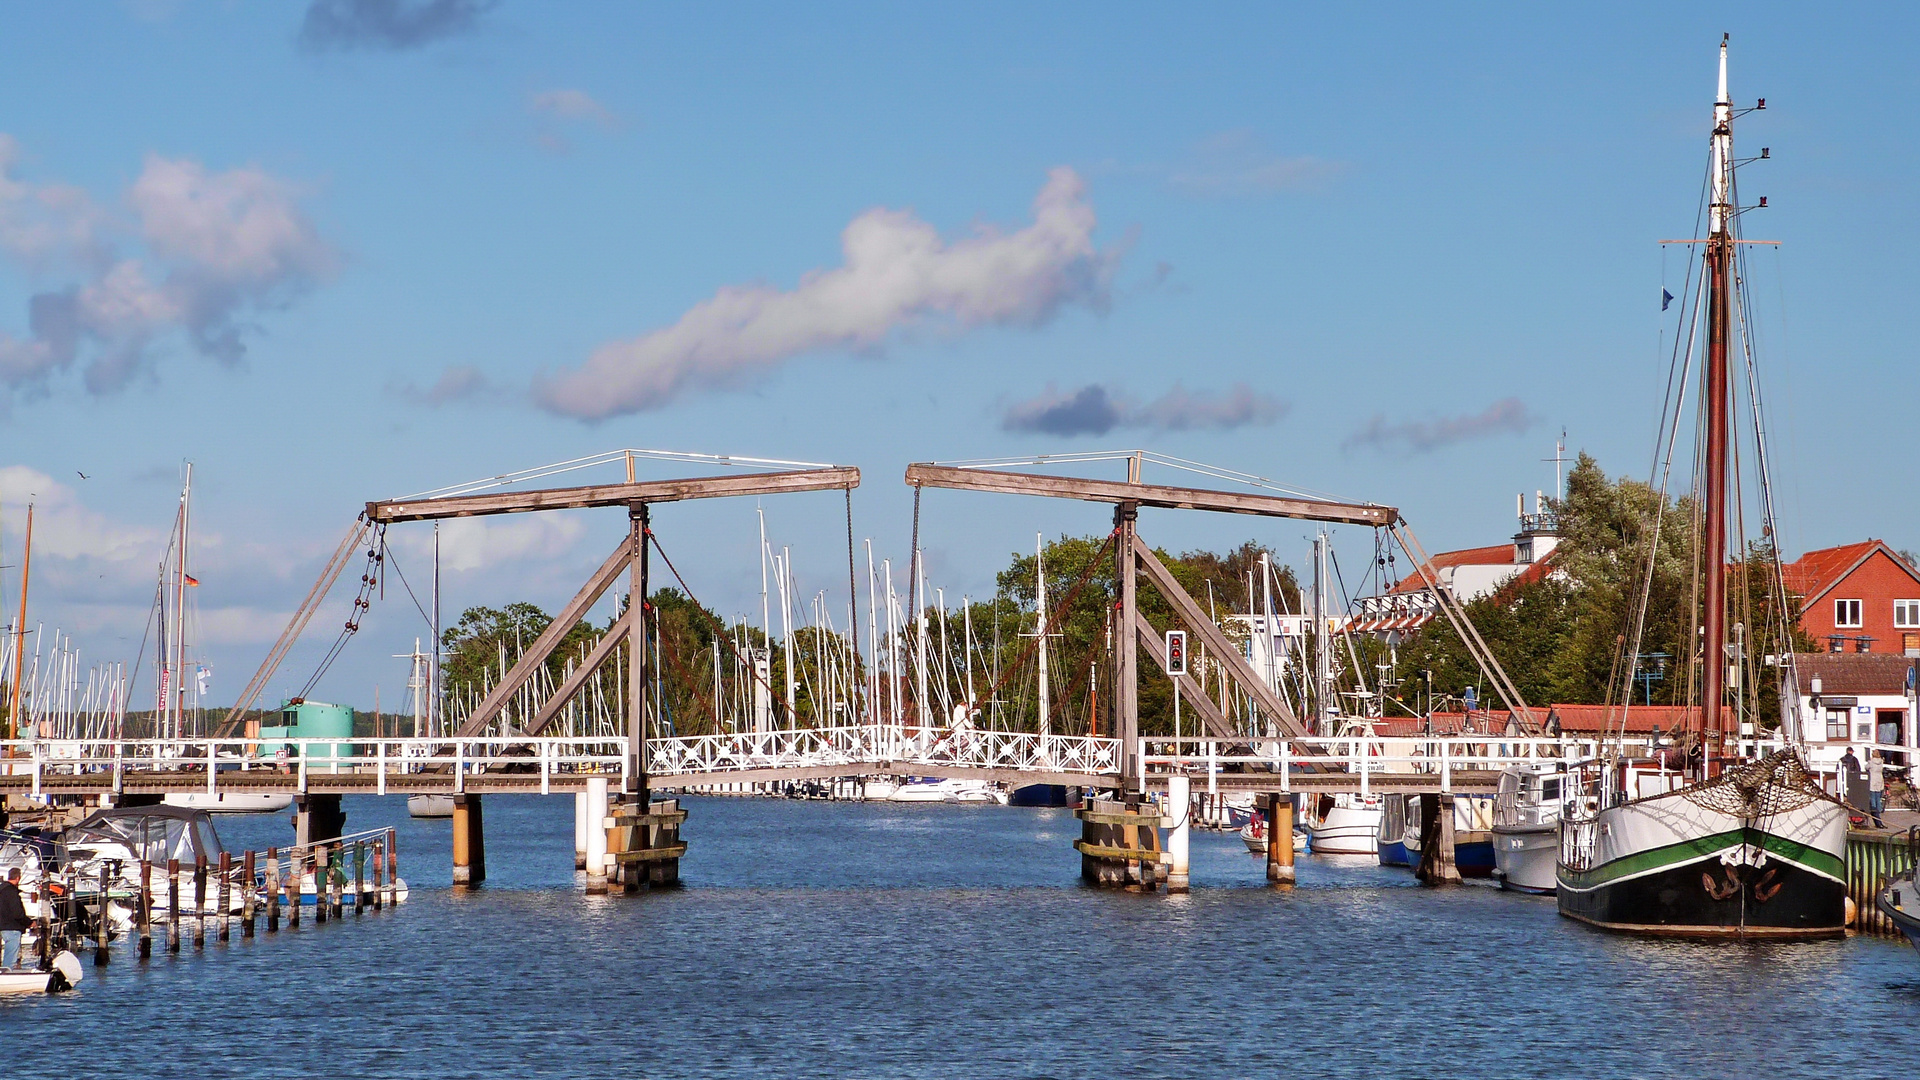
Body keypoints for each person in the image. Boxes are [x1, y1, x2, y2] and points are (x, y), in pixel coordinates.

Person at [0, 867, 30, 970]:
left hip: (2, 926)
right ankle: (6, 976)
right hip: (11, 927)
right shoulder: (12, 892)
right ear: (18, 878)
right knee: (10, 959)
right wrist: (29, 923)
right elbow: (17, 913)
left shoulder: (1, 889)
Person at [1867, 750, 1887, 829]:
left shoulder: (1871, 762)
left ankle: (1874, 811)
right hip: (1879, 780)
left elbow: (1866, 767)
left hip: (1873, 780)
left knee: (1873, 798)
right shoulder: (1881, 762)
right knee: (1878, 798)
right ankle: (1879, 810)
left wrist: (1869, 760)